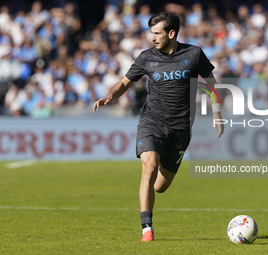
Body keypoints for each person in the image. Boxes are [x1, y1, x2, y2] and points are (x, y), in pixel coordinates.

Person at [93, 12, 224, 241]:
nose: (152, 38)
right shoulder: (146, 58)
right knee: (149, 167)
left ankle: (155, 190)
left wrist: (216, 111)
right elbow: (125, 82)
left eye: (157, 33)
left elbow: (211, 82)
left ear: (171, 33)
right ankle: (147, 228)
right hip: (151, 122)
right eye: (151, 33)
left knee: (160, 186)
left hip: (180, 129)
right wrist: (110, 97)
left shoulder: (193, 54)